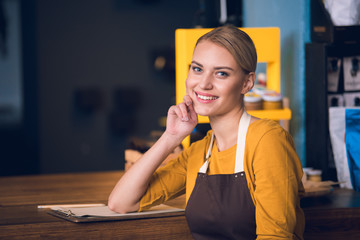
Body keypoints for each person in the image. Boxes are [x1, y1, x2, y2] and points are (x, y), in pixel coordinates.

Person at [108, 25, 305, 239]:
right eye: (197, 69)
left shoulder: (267, 139)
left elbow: (275, 236)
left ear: (246, 83)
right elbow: (121, 202)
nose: (203, 83)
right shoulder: (200, 152)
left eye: (221, 73)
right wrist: (171, 137)